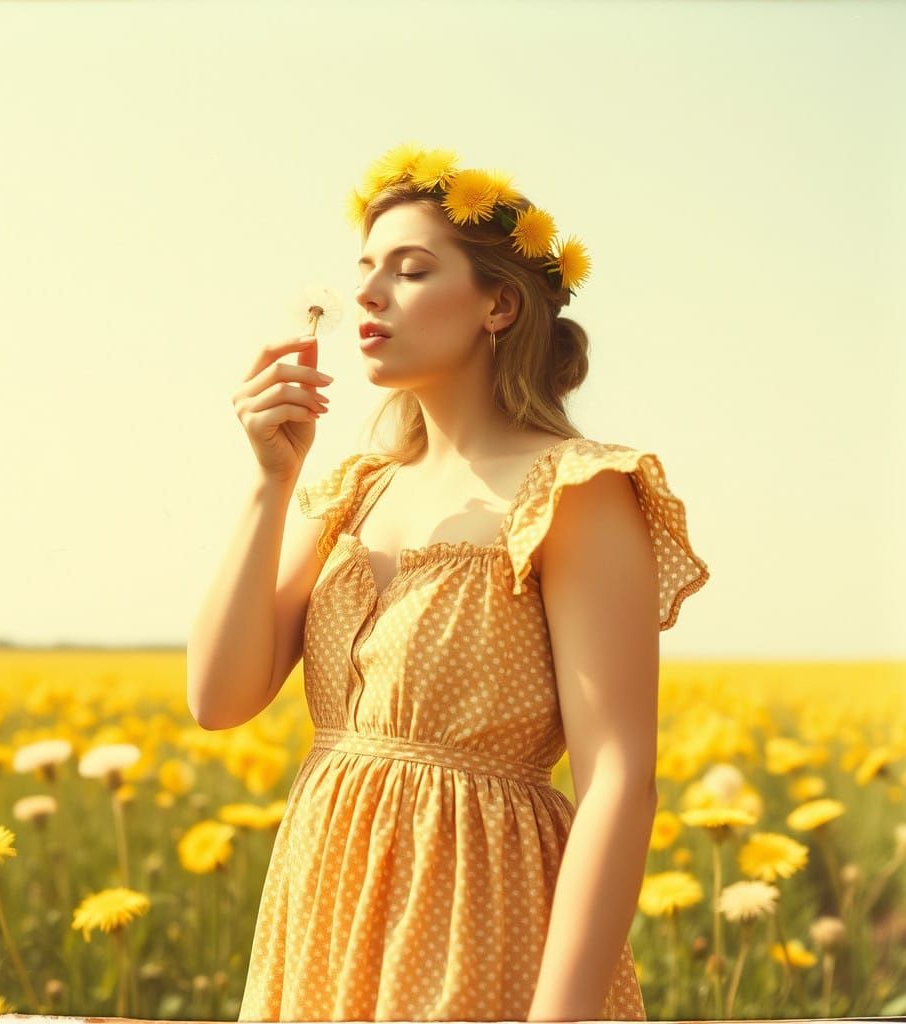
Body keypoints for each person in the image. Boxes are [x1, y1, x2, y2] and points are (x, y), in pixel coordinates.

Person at [187, 143, 711, 1022]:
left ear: (499, 304)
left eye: (412, 269)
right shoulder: (352, 489)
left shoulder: (574, 490)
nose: (367, 292)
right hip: (321, 908)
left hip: (481, 911)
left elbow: (619, 777)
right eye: (364, 269)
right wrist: (271, 483)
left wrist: (564, 1014)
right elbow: (219, 697)